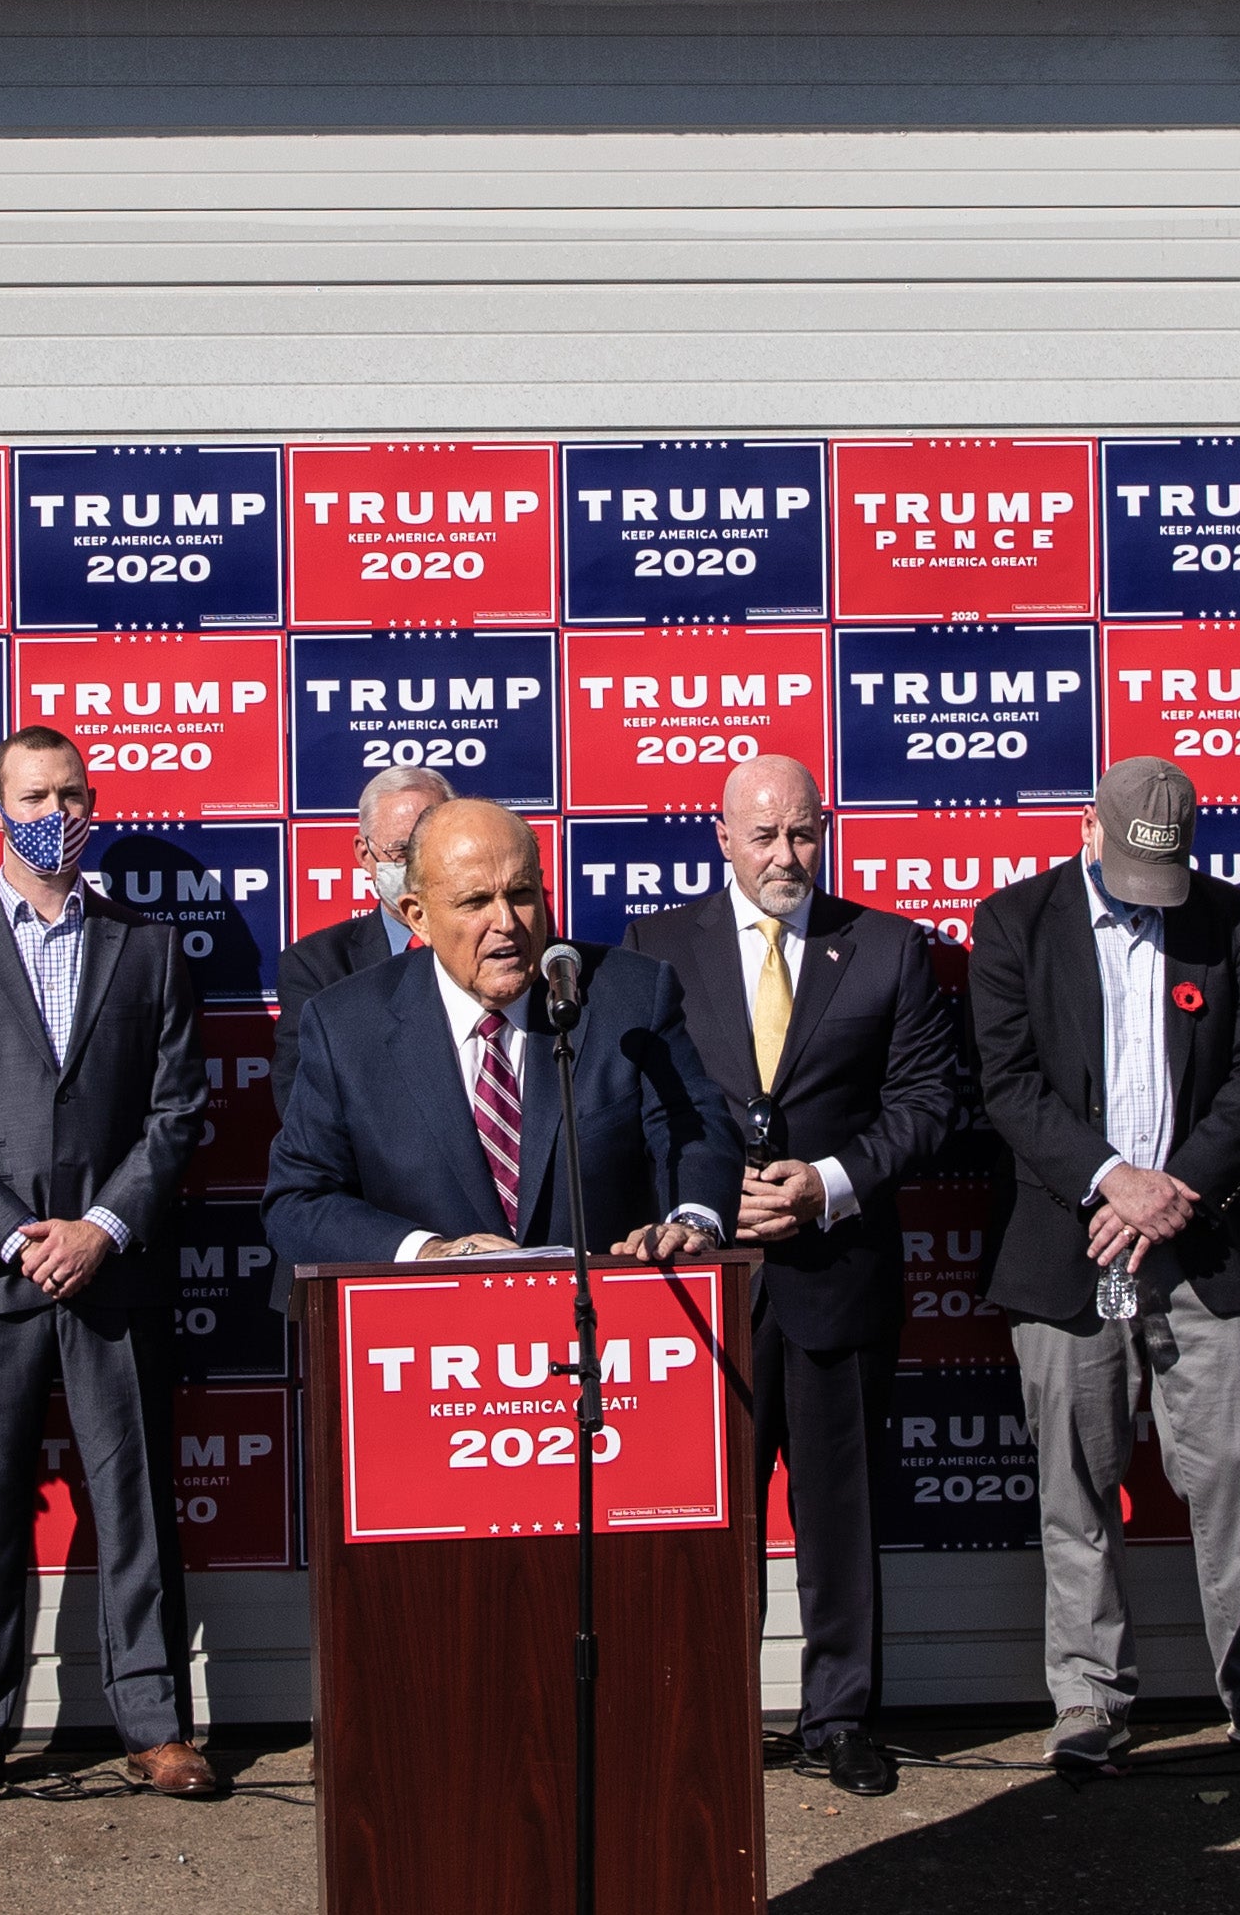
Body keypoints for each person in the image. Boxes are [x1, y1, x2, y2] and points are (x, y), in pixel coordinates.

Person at [623, 758, 969, 1796]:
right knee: (707, 1518)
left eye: (802, 834)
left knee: (841, 1508)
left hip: (837, 1268)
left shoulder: (890, 949)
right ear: (719, 837)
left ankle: (841, 1715)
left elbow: (927, 1104)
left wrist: (826, 1184)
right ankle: (711, 1715)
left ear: (827, 833)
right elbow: (633, 1106)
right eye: (763, 835)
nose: (785, 855)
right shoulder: (651, 951)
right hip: (709, 1283)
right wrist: (699, 1198)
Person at [0, 728, 216, 1809]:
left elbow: (176, 1115)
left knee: (133, 1504)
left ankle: (155, 1725)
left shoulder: (150, 950)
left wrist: (101, 1228)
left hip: (111, 1272)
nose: (55, 813)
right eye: (33, 795)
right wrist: (21, 1236)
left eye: (72, 793)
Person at [968, 757, 1240, 1779]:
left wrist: (1172, 1193)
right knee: (1074, 1487)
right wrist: (1114, 1181)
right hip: (1067, 1249)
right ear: (1089, 831)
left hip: (1204, 1246)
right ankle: (1086, 1701)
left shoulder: (1234, 922)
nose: (1149, 895)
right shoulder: (1012, 924)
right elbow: (1007, 1084)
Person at [267, 798, 736, 1270]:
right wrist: (427, 1252)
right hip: (428, 1332)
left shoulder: (629, 994)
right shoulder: (346, 1026)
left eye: (522, 894)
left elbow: (693, 1127)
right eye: (475, 902)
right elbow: (300, 1199)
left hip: (604, 1326)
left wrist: (691, 1220)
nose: (508, 924)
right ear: (419, 916)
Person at [279, 765, 455, 1008]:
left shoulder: (497, 943)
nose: (419, 866)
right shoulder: (315, 965)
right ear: (365, 855)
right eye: (401, 851)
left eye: (432, 848)